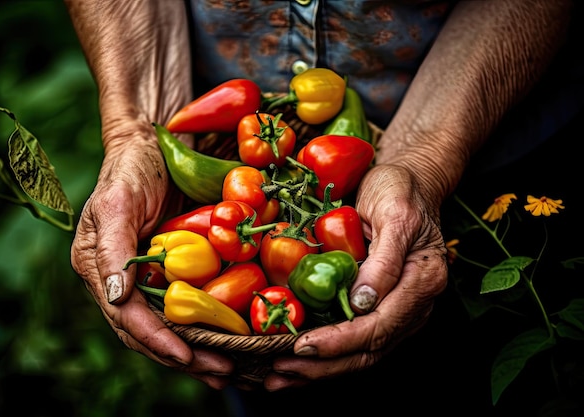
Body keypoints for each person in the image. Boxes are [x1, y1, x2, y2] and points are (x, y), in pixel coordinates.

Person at [63, 0, 577, 396]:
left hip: (495, 141)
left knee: (488, 364)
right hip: (285, 227)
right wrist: (138, 129)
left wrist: (425, 154)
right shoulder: (261, 197)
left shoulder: (262, 194)